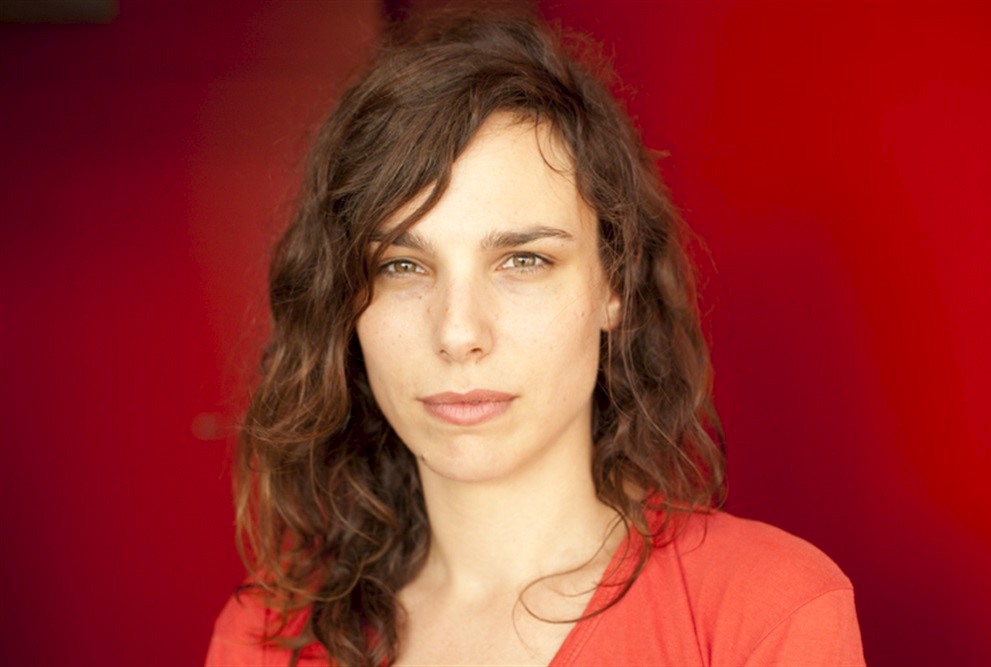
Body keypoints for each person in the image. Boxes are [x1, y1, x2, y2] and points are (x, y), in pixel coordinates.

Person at [206, 6, 864, 666]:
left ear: (614, 284)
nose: (458, 332)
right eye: (402, 266)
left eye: (524, 260)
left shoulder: (767, 611)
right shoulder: (265, 638)